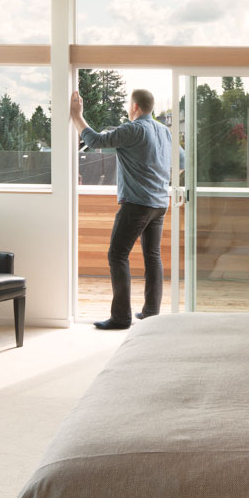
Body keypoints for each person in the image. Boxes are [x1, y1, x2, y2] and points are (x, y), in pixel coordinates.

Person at [71, 88, 172, 330]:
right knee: (153, 256)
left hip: (138, 204)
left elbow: (94, 141)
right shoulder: (164, 131)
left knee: (117, 255)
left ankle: (121, 317)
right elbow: (178, 160)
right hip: (160, 203)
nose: (128, 108)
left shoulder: (133, 129)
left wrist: (77, 115)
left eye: (129, 104)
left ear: (135, 107)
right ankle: (151, 314)